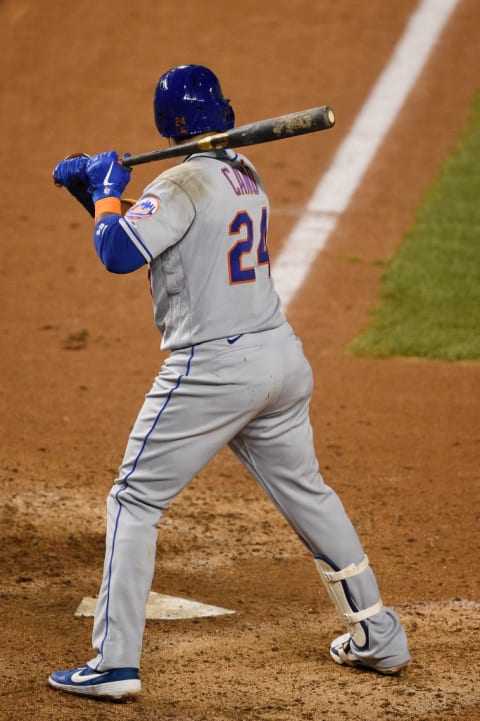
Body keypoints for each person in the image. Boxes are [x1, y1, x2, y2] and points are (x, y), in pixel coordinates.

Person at [48, 64, 410, 701]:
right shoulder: (243, 174)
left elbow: (119, 252)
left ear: (169, 126)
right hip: (279, 361)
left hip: (212, 370)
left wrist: (107, 189)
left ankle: (113, 663)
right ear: (224, 112)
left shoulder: (180, 182)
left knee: (133, 502)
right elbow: (154, 235)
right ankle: (378, 634)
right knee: (310, 495)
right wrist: (94, 198)